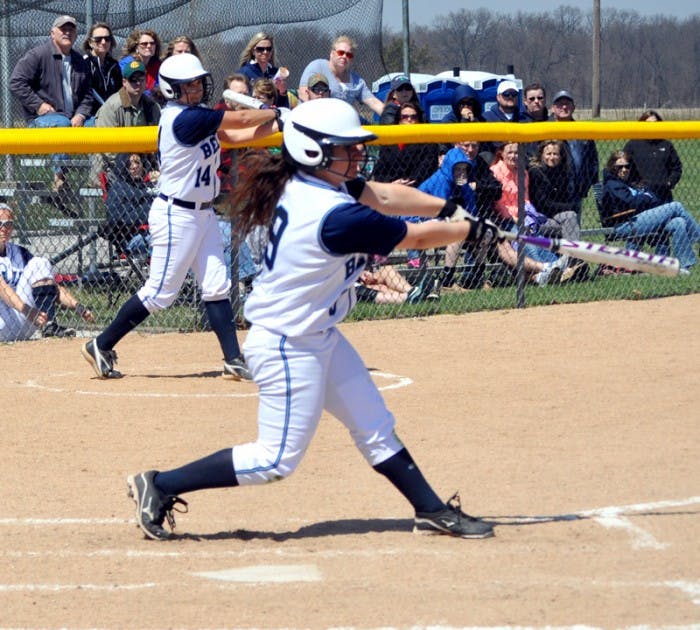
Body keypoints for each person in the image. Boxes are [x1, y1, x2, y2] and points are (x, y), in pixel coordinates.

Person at [125, 97, 499, 541]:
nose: (357, 154)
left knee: (374, 424)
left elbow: (383, 194)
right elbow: (414, 238)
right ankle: (159, 484)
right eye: (346, 148)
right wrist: (470, 229)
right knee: (274, 461)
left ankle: (430, 509)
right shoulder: (334, 216)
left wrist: (447, 209)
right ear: (313, 151)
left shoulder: (314, 185)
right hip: (287, 343)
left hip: (318, 333)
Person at [81, 53, 285, 381]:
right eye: (187, 84)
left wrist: (280, 124)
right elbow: (240, 122)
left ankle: (233, 358)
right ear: (172, 90)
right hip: (176, 213)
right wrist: (271, 111)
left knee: (217, 285)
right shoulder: (182, 119)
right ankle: (101, 343)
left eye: (196, 82)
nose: (196, 88)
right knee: (160, 293)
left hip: (202, 214)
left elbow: (235, 137)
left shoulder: (197, 115)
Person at [10, 15, 95, 197]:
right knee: (62, 124)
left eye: (71, 29)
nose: (67, 32)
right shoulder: (38, 55)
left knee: (100, 124)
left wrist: (80, 115)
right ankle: (59, 178)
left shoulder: (80, 61)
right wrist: (38, 105)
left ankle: (98, 178)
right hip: (42, 120)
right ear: (52, 33)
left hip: (74, 119)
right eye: (62, 29)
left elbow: (88, 95)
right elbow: (16, 82)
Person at [0, 203, 94, 341]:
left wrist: (78, 306)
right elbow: (3, 288)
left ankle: (49, 326)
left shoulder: (20, 253)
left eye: (8, 223)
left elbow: (49, 286)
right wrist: (29, 311)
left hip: (24, 321)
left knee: (41, 262)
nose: (3, 228)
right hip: (4, 322)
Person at [600, 150, 700, 271]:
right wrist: (646, 197)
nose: (624, 169)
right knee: (676, 206)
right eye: (620, 167)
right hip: (624, 224)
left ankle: (684, 267)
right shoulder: (613, 184)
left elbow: (650, 199)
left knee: (678, 222)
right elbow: (631, 201)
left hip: (639, 219)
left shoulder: (628, 183)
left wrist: (644, 198)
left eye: (627, 166)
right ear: (612, 167)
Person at [94, 59, 161, 182]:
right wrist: (130, 161)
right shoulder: (112, 107)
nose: (138, 83)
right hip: (112, 167)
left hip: (145, 164)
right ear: (124, 82)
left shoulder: (152, 107)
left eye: (141, 79)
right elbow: (106, 146)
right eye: (133, 80)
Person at [298, 35, 384, 118]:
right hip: (315, 120)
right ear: (332, 53)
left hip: (344, 123)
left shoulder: (357, 81)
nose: (344, 57)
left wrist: (391, 115)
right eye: (341, 52)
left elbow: (374, 102)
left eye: (349, 55)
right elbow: (303, 93)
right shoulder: (317, 66)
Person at [549, 90, 598, 220]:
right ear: (553, 108)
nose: (564, 107)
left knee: (573, 229)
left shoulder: (582, 130)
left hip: (575, 191)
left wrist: (586, 185)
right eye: (560, 104)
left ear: (574, 107)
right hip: (551, 193)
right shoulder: (545, 129)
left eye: (567, 104)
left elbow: (593, 161)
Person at [371, 102, 437, 188]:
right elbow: (380, 171)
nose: (409, 120)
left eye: (414, 117)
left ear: (419, 120)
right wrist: (392, 183)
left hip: (418, 188)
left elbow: (426, 169)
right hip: (391, 188)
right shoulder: (389, 143)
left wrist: (407, 183)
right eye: (405, 117)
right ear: (399, 120)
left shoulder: (428, 144)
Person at [623, 110, 683, 204]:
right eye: (648, 123)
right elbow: (623, 166)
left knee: (678, 219)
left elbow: (677, 167)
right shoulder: (633, 145)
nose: (652, 126)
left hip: (663, 194)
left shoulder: (666, 145)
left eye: (655, 123)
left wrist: (669, 183)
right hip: (642, 195)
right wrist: (634, 185)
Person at [103, 153, 157, 255]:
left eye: (137, 162)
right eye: (129, 163)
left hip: (154, 229)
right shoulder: (119, 187)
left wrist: (159, 183)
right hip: (132, 237)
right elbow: (119, 218)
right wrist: (155, 211)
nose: (134, 166)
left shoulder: (147, 185)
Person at [527, 140, 580, 240]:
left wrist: (569, 207)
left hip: (558, 213)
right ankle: (572, 253)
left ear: (561, 156)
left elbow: (567, 196)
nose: (552, 158)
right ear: (542, 155)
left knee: (570, 217)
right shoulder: (535, 172)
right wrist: (569, 206)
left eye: (555, 154)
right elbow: (541, 203)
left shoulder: (563, 172)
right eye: (548, 154)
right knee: (569, 220)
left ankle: (571, 253)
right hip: (540, 214)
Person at [237, 32, 289, 108]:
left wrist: (282, 92)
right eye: (260, 49)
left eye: (268, 49)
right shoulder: (243, 73)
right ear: (253, 51)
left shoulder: (275, 73)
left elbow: (284, 107)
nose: (265, 52)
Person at [82, 22, 122, 119]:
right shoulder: (84, 63)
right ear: (90, 43)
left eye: (107, 39)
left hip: (113, 113)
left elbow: (120, 90)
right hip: (91, 115)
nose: (103, 42)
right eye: (98, 39)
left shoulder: (114, 65)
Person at [119, 29, 162, 98]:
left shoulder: (157, 65)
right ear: (136, 47)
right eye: (144, 44)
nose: (149, 46)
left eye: (152, 43)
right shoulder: (127, 64)